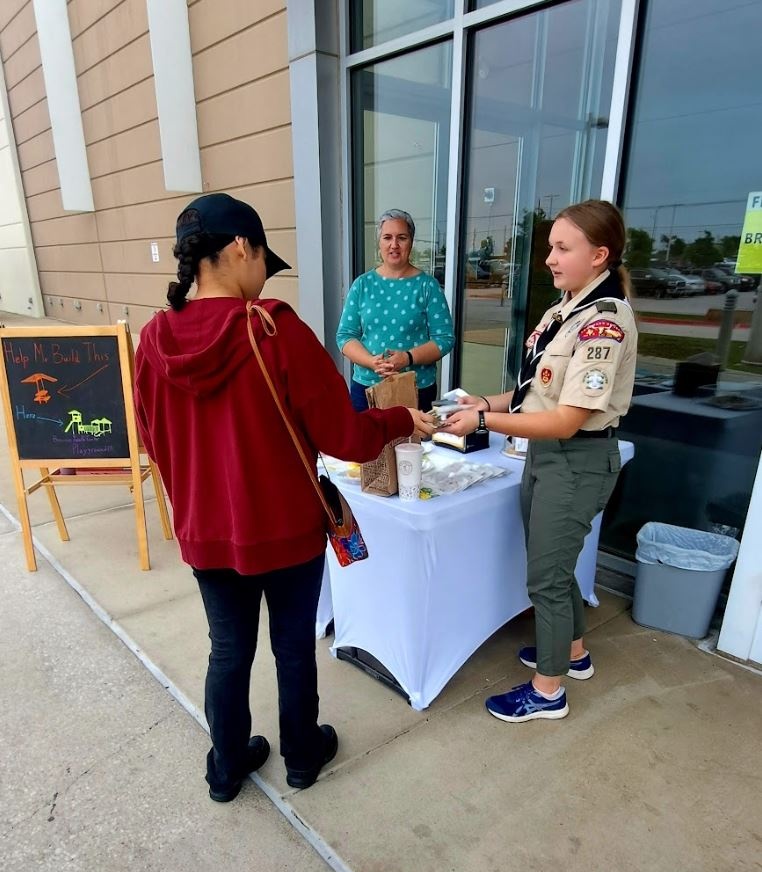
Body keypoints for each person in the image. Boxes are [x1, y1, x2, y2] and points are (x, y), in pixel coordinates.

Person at [134, 193, 434, 802]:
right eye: (262, 261)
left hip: (205, 531)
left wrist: (197, 498)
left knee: (227, 650)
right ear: (241, 248)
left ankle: (226, 768)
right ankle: (301, 755)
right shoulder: (275, 328)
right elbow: (344, 437)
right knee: (293, 647)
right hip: (288, 527)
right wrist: (401, 418)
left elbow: (152, 439)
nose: (263, 277)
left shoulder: (154, 340)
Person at [441, 199, 637, 723]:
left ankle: (548, 691)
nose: (549, 258)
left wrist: (484, 423)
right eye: (551, 246)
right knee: (554, 566)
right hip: (547, 459)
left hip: (575, 460)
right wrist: (485, 402)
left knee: (545, 579)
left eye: (562, 248)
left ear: (599, 255)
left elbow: (567, 420)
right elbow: (535, 394)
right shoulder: (563, 311)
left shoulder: (604, 323)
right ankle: (573, 653)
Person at [337, 209, 455, 413]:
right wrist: (371, 362)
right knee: (364, 435)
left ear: (411, 242)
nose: (394, 245)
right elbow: (345, 336)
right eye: (387, 237)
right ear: (379, 243)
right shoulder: (362, 285)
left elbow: (444, 339)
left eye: (402, 237)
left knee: (413, 435)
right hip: (366, 389)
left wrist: (408, 357)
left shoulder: (427, 286)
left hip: (416, 388)